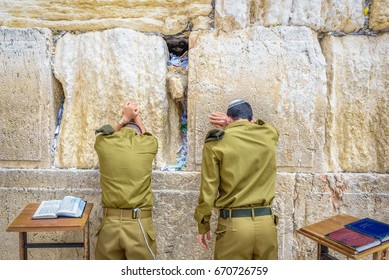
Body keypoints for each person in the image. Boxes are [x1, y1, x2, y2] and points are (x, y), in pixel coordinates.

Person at [193, 99, 279, 260]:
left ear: (228, 118)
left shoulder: (216, 143)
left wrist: (203, 224)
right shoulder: (269, 135)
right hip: (266, 225)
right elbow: (263, 126)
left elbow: (208, 190)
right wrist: (243, 124)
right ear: (251, 119)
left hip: (234, 226)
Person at [94, 100, 158, 260]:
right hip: (138, 225)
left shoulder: (104, 144)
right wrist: (136, 117)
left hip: (109, 225)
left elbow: (103, 137)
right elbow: (146, 135)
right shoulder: (148, 145)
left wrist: (124, 118)